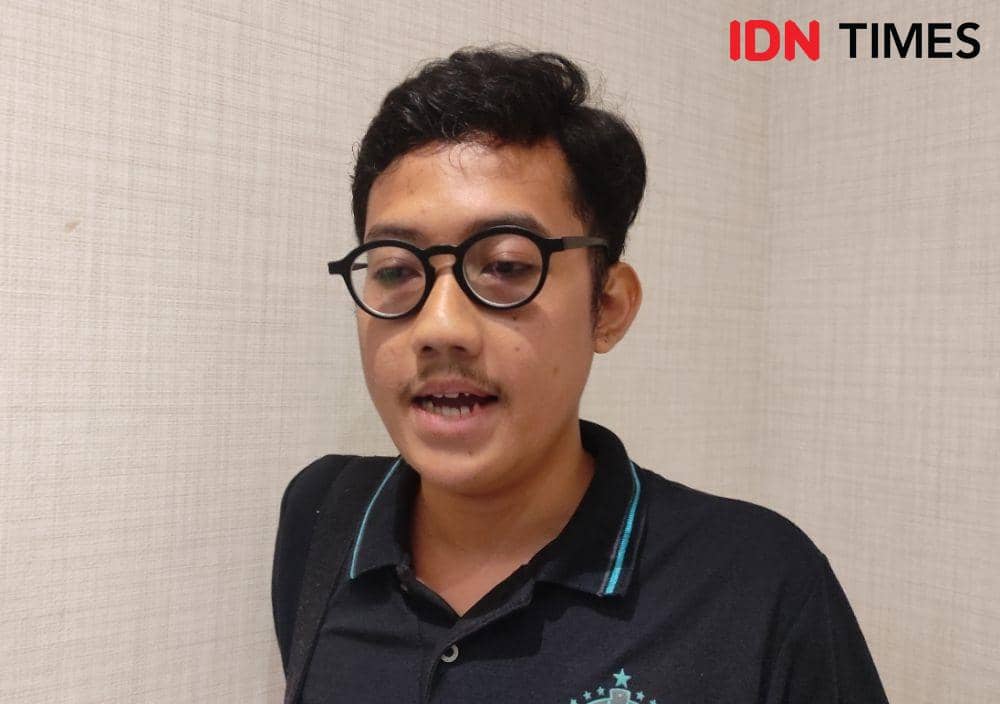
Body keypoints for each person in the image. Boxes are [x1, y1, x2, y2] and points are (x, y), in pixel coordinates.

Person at [272, 46, 889, 704]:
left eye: (506, 266)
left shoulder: (759, 587)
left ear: (608, 307)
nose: (440, 327)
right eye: (395, 269)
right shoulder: (324, 516)